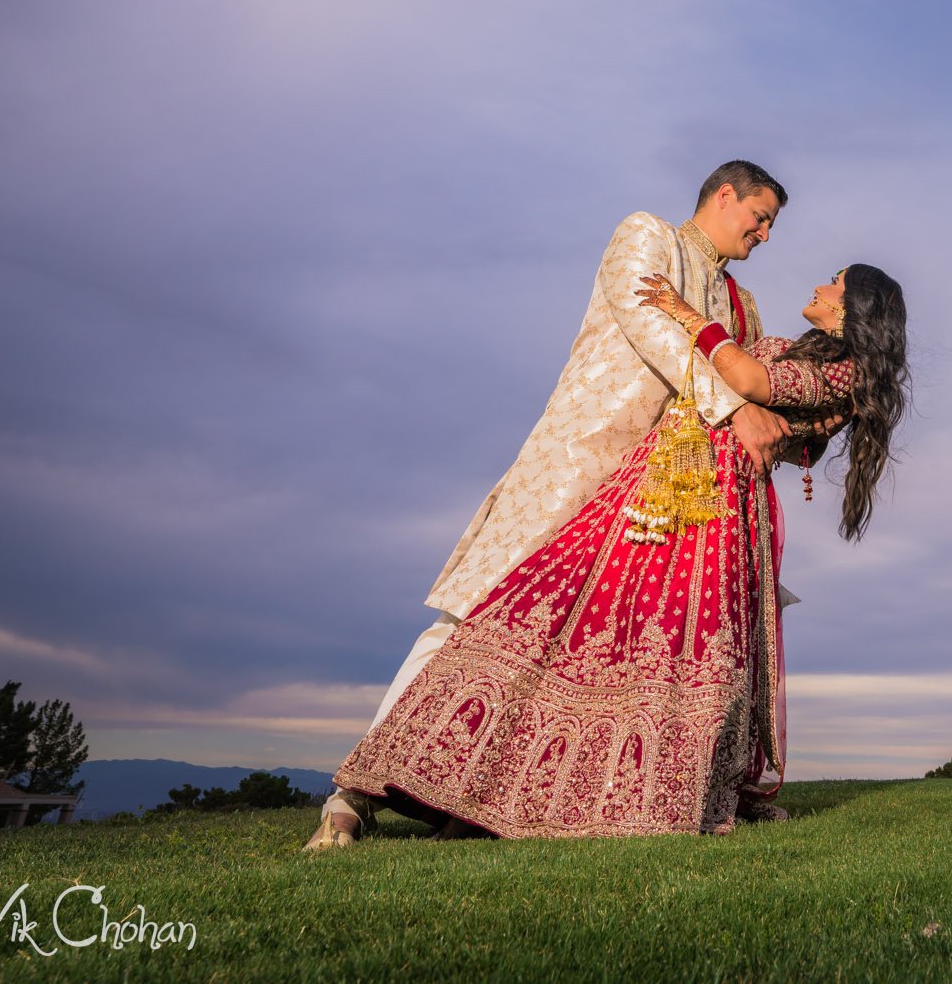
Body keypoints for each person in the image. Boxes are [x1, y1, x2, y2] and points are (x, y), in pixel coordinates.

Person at [304, 160, 796, 850]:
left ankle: (486, 796)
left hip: (655, 504)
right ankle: (352, 793)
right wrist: (733, 406)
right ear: (723, 195)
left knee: (578, 649)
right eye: (761, 215)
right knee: (474, 614)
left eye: (772, 223)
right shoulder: (646, 235)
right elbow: (651, 326)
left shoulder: (743, 305)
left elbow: (750, 380)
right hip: (579, 463)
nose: (766, 233)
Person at [328, 260, 909, 838]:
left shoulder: (847, 375)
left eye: (834, 281)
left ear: (852, 306)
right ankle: (476, 786)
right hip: (661, 469)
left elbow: (750, 380)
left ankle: (618, 787)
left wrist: (684, 313)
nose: (819, 283)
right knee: (566, 600)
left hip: (714, 497)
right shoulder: (802, 350)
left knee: (669, 632)